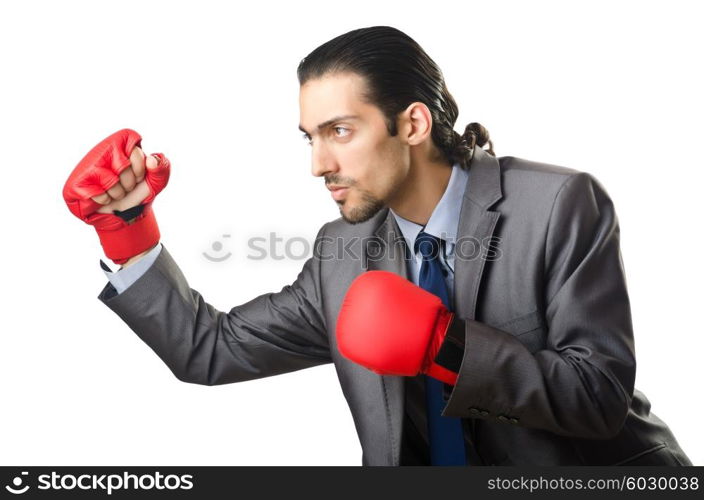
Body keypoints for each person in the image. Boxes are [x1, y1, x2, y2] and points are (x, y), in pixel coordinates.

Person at [62, 26, 692, 466]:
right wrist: (128, 227)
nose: (318, 164)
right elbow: (210, 351)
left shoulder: (557, 204)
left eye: (340, 131)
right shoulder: (344, 251)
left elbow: (601, 398)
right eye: (309, 136)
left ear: (412, 124)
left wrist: (448, 346)